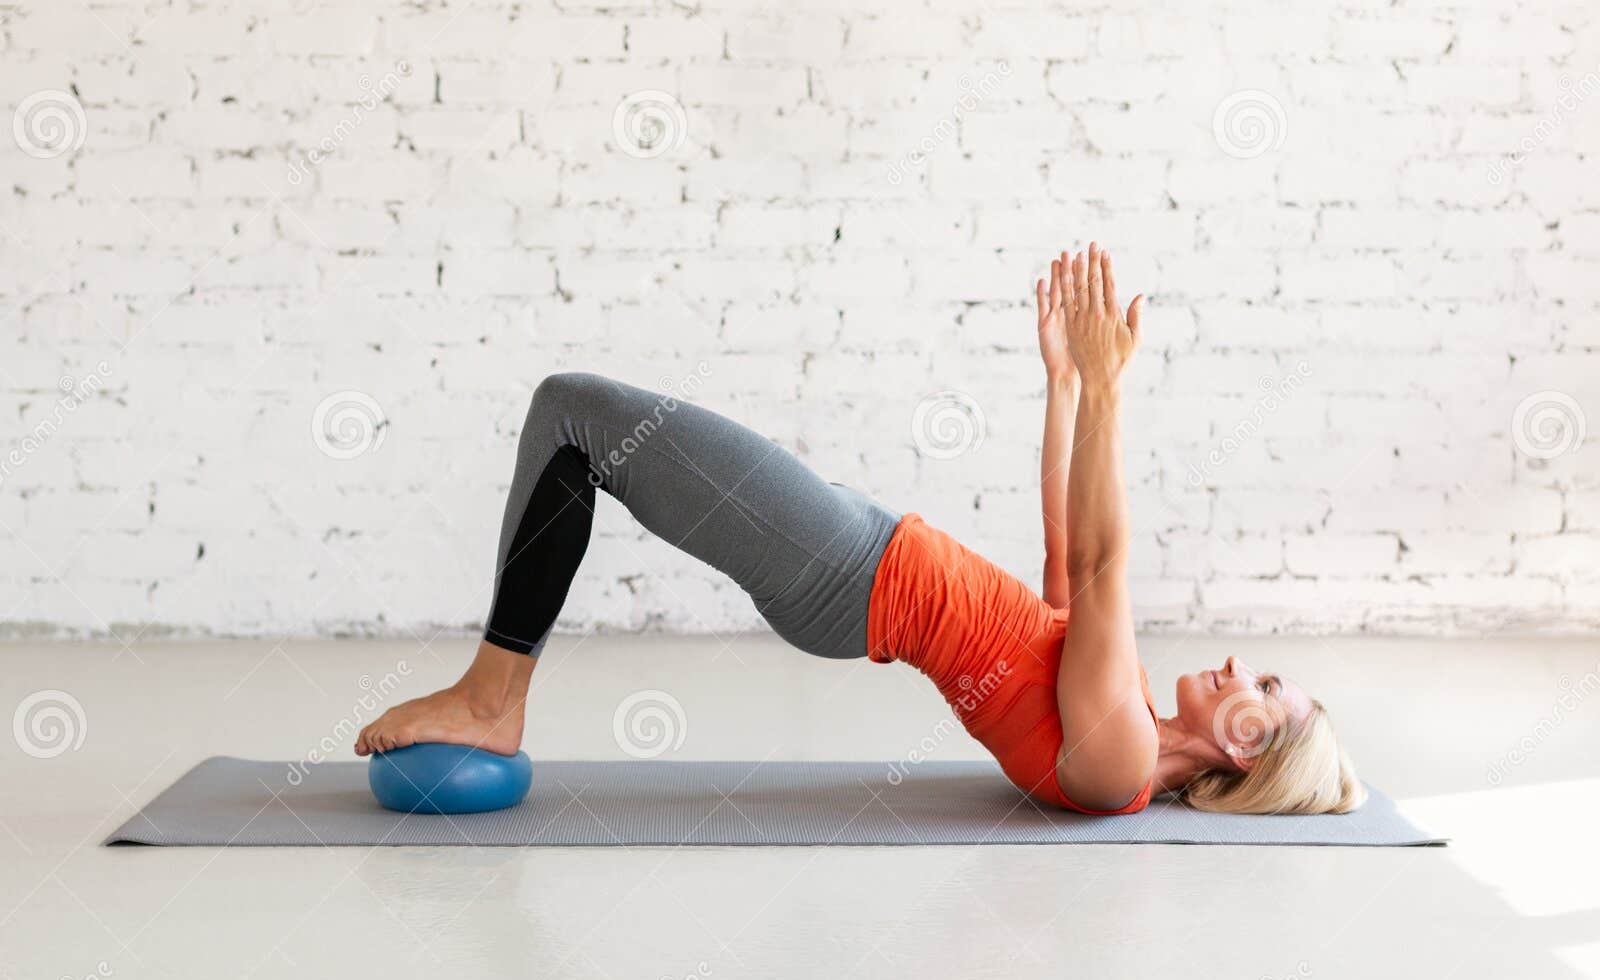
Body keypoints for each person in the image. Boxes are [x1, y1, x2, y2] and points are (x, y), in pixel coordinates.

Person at [356, 244, 1364, 816]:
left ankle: (492, 701)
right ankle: (491, 694)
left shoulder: (1118, 767)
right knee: (576, 423)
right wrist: (1065, 386)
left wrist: (1109, 391)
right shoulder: (1124, 718)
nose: (1244, 666)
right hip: (856, 554)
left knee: (573, 410)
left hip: (847, 571)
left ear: (1244, 748)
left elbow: (1103, 564)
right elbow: (1066, 561)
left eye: (1263, 689)